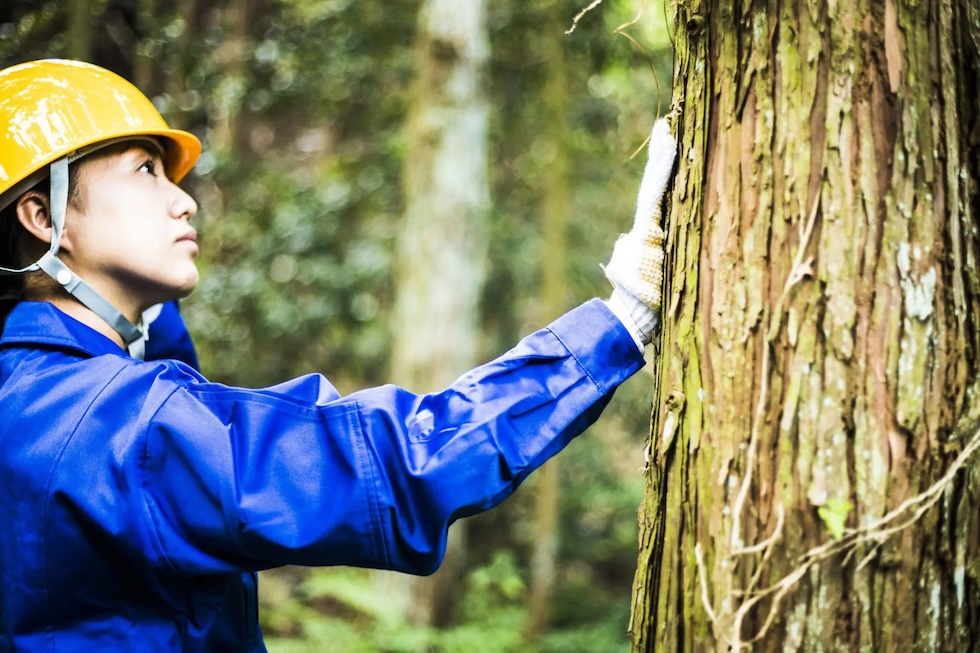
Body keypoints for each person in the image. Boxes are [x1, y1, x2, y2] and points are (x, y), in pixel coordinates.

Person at [0, 59, 677, 652]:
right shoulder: (119, 423)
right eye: (146, 170)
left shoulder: (34, 398)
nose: (183, 200)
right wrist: (619, 321)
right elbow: (397, 470)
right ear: (42, 216)